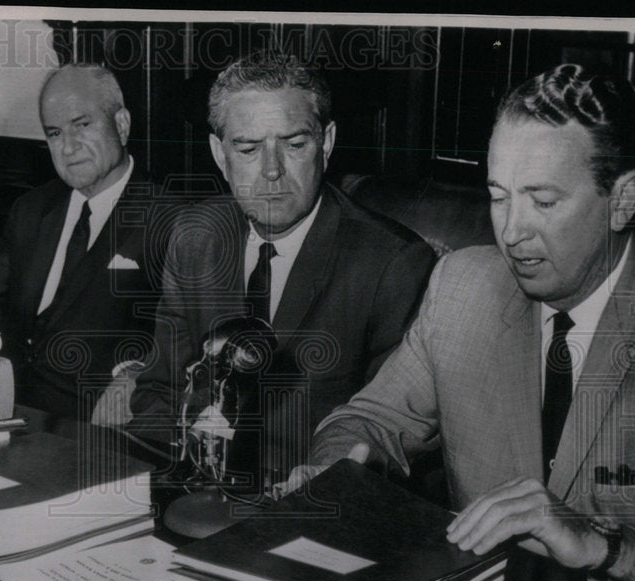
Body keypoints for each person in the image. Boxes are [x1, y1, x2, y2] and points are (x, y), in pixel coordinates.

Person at [292, 64, 635, 581]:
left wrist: (600, 545)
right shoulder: (464, 287)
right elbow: (371, 419)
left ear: (623, 200)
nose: (511, 232)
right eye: (498, 197)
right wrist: (334, 469)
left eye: (542, 201)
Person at [129, 50, 435, 480]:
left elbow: (384, 435)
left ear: (325, 143)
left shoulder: (392, 265)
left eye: (294, 144)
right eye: (249, 148)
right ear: (219, 154)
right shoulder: (195, 233)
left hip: (309, 503)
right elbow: (160, 390)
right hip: (194, 489)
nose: (271, 171)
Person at [0, 64, 176, 421]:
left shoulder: (171, 219)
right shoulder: (31, 210)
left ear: (121, 124)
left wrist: (136, 373)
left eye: (82, 125)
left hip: (95, 429)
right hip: (3, 410)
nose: (69, 147)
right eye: (55, 133)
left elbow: (190, 339)